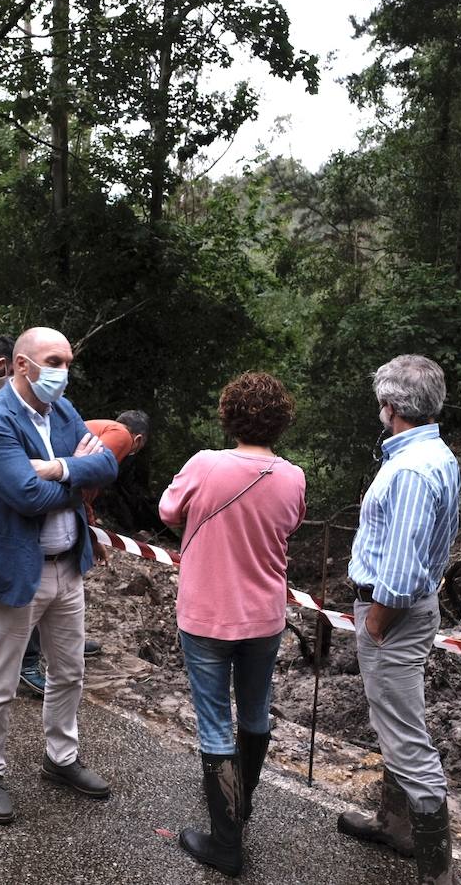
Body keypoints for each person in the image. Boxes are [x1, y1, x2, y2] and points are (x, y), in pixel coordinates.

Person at [0, 326, 120, 825]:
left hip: (68, 568)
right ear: (21, 365)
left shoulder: (64, 409)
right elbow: (24, 497)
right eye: (54, 361)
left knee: (70, 671)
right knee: (1, 680)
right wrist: (78, 474)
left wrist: (56, 471)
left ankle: (62, 758)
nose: (63, 372)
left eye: (68, 362)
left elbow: (109, 467)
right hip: (17, 571)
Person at [158, 373, 306, 876]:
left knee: (216, 721)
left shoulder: (205, 464)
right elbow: (290, 524)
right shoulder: (294, 476)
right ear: (281, 421)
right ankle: (240, 809)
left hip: (206, 614)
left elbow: (167, 510)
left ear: (228, 415)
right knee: (256, 711)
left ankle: (225, 842)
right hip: (264, 616)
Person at [337, 354, 461, 885]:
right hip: (405, 610)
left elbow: (404, 567)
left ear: (390, 407)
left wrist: (375, 623)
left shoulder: (411, 468)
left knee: (407, 736)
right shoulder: (435, 454)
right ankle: (396, 825)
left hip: (394, 613)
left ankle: (436, 873)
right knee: (392, 721)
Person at [19, 410, 152, 695]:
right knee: (39, 584)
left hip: (57, 504)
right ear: (138, 439)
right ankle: (27, 663)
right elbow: (87, 481)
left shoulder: (100, 427)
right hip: (49, 511)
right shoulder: (122, 435)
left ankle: (59, 642)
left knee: (58, 587)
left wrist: (89, 531)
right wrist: (89, 530)